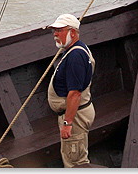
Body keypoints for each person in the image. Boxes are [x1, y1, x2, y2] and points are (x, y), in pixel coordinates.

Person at [46, 14, 95, 168]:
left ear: (72, 32)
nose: (55, 34)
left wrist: (67, 123)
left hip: (76, 116)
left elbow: (75, 94)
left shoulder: (75, 57)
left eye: (59, 30)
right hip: (79, 112)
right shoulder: (79, 49)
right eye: (54, 30)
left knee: (76, 162)